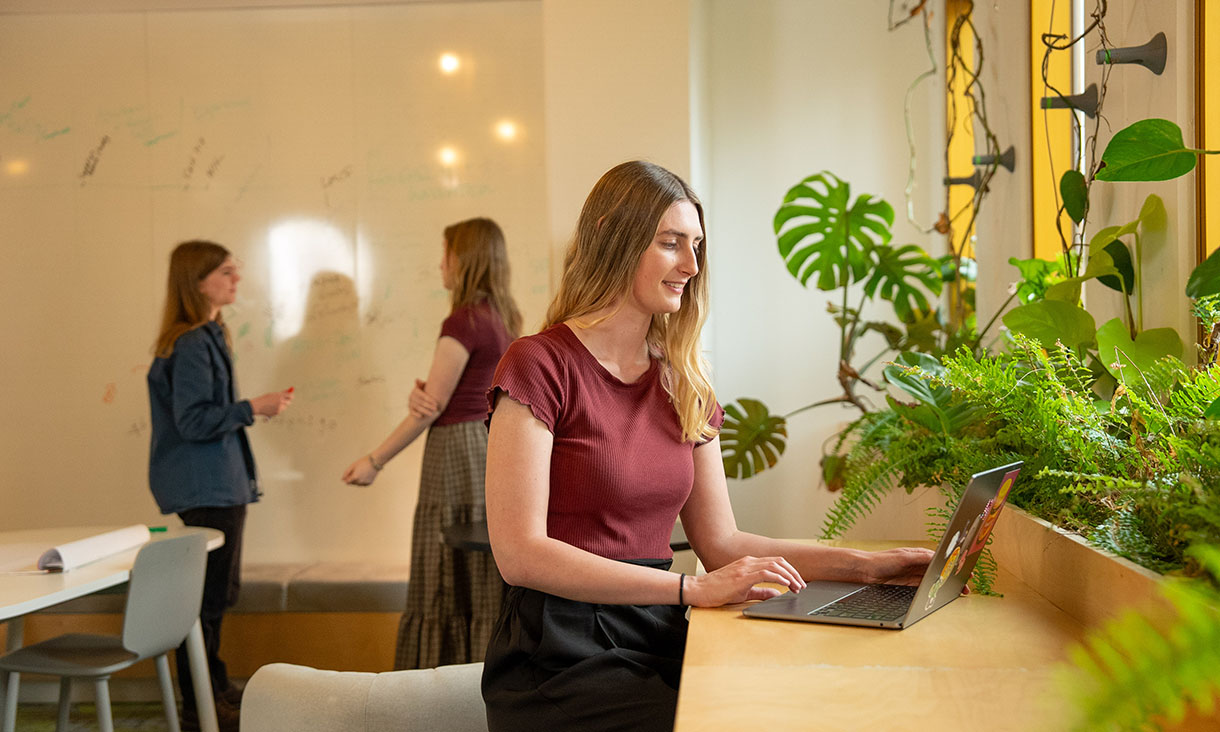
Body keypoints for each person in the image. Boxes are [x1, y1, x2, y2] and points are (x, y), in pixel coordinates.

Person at [480, 161, 939, 732]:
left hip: (659, 628)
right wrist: (691, 588)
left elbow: (722, 541)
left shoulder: (682, 382)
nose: (691, 267)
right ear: (609, 238)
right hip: (560, 652)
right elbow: (519, 553)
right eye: (671, 243)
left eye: (696, 246)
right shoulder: (538, 365)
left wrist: (866, 568)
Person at [342, 217, 521, 669]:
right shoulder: (501, 318)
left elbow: (431, 407)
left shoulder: (463, 320)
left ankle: (438, 685)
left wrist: (374, 460)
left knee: (443, 568)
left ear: (463, 260)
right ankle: (480, 670)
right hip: (484, 446)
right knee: (479, 573)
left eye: (446, 254)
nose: (440, 264)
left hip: (455, 453)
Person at [147, 240, 294, 732]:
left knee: (214, 596)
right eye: (226, 272)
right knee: (204, 602)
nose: (237, 280)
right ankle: (200, 705)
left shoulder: (209, 334)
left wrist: (252, 409)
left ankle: (213, 688)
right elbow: (192, 422)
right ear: (198, 280)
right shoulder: (191, 342)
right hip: (206, 487)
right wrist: (254, 407)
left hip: (218, 485)